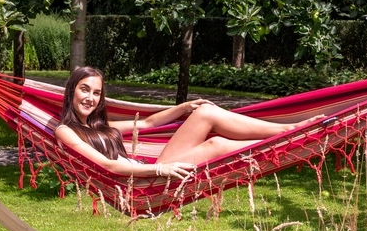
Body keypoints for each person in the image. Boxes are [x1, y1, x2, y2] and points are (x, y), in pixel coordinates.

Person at [53, 66, 313, 179]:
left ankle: (288, 130)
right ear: (72, 91)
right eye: (84, 90)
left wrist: (184, 107)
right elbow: (107, 165)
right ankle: (288, 141)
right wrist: (158, 170)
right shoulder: (66, 131)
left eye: (96, 93)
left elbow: (147, 124)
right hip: (142, 183)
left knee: (205, 112)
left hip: (153, 170)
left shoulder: (100, 127)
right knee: (217, 145)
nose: (90, 98)